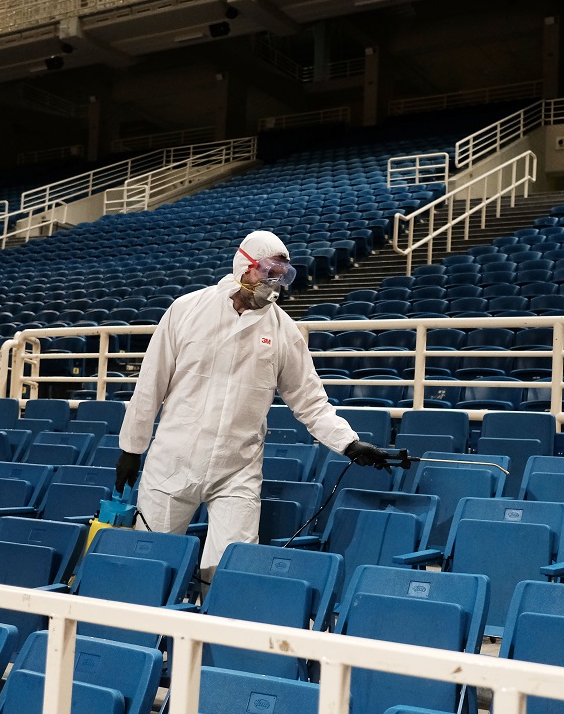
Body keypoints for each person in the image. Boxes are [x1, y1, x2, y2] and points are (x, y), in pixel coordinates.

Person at [115, 229, 389, 583]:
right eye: (269, 272)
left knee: (231, 571)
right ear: (244, 266)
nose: (275, 284)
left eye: (283, 276)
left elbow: (310, 400)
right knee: (152, 564)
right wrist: (132, 448)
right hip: (173, 462)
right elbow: (150, 385)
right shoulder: (186, 310)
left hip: (237, 470)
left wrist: (348, 443)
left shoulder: (284, 331)